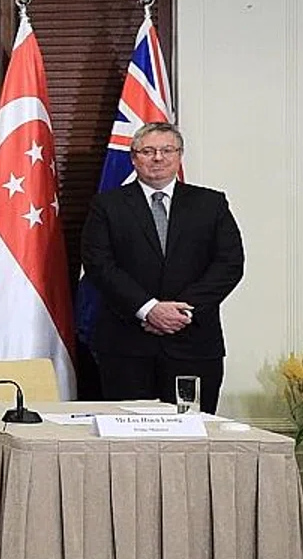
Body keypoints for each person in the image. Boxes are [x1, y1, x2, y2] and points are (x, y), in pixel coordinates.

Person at [80, 121, 244, 412]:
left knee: (192, 437)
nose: (158, 157)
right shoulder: (106, 205)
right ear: (134, 157)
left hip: (194, 344)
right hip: (127, 346)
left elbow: (229, 264)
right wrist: (149, 309)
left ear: (180, 156)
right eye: (148, 150)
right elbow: (99, 264)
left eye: (167, 150)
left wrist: (183, 310)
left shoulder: (211, 203)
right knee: (129, 445)